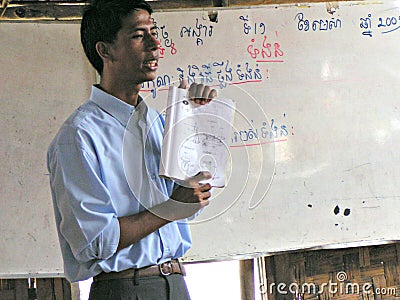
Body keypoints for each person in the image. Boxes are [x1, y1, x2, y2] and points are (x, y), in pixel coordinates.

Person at [47, 0, 217, 299]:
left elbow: (190, 203)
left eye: (154, 32)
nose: (155, 45)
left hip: (176, 283)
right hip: (125, 288)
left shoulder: (158, 122)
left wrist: (194, 120)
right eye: (139, 35)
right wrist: (171, 208)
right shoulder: (79, 136)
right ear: (105, 50)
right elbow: (97, 240)